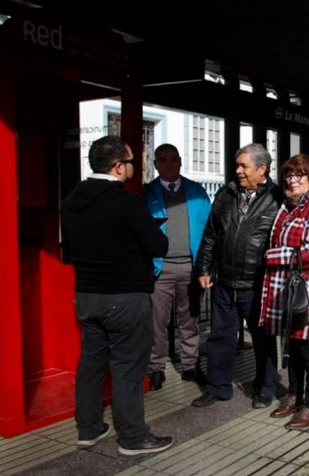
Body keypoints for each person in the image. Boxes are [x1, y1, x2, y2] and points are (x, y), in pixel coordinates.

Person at [60, 135, 173, 456]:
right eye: (132, 162)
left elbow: (69, 249)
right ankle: (133, 437)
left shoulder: (70, 202)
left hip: (86, 295)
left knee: (91, 362)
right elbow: (158, 246)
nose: (133, 169)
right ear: (118, 166)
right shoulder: (128, 202)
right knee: (127, 367)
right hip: (125, 297)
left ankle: (88, 428)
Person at [192, 144, 284, 409]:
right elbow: (211, 234)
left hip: (258, 285)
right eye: (238, 165)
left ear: (262, 169)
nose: (238, 171)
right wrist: (203, 268)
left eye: (244, 166)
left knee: (263, 340)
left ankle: (264, 388)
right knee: (220, 338)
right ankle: (217, 388)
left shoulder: (277, 198)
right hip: (224, 284)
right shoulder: (226, 193)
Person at [261, 154, 309, 430]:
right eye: (289, 176)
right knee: (292, 347)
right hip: (291, 292)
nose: (292, 180)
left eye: (299, 175)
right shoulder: (290, 208)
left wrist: (272, 256)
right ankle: (295, 395)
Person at [144, 144, 211, 390]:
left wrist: (206, 265)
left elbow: (210, 230)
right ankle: (156, 368)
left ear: (180, 161)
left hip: (190, 267)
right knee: (156, 323)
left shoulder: (196, 191)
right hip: (159, 268)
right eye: (163, 160)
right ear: (155, 164)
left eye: (173, 159)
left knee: (190, 320)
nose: (169, 164)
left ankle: (190, 365)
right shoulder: (146, 193)